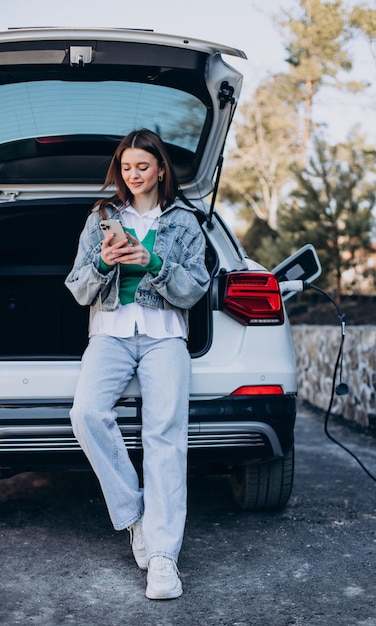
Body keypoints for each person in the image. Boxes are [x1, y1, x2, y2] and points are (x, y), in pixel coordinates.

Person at [65, 128, 210, 600]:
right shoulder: (102, 218)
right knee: (85, 413)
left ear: (161, 169)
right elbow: (79, 286)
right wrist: (105, 264)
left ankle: (164, 558)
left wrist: (152, 262)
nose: (134, 175)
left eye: (142, 166)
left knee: (164, 435)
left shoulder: (184, 222)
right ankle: (135, 517)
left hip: (164, 335)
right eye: (126, 168)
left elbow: (195, 288)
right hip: (109, 333)